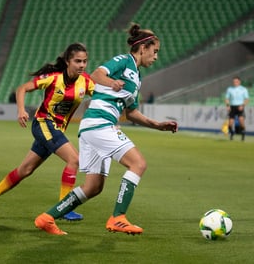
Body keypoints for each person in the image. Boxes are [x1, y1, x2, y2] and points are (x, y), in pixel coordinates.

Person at [34, 23, 178, 235]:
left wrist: (157, 125)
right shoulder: (123, 60)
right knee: (138, 163)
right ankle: (118, 218)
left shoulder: (137, 77)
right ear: (143, 48)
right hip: (100, 124)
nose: (156, 57)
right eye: (154, 51)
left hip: (93, 128)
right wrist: (111, 83)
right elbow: (96, 74)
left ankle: (47, 218)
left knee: (93, 187)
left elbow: (131, 112)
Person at [0, 43, 103, 221]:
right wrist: (21, 110)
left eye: (84, 61)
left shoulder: (85, 81)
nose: (82, 65)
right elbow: (22, 88)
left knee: (25, 169)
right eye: (78, 61)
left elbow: (101, 97)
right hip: (43, 124)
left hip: (56, 130)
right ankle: (65, 207)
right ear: (68, 61)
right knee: (74, 159)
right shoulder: (53, 78)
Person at [225, 76, 249, 141]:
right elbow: (227, 98)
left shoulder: (243, 89)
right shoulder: (230, 89)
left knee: (241, 121)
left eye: (236, 81)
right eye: (234, 81)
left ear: (239, 82)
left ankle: (243, 132)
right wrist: (228, 105)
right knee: (230, 123)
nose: (235, 83)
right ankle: (232, 133)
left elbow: (247, 99)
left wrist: (243, 105)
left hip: (240, 106)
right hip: (232, 107)